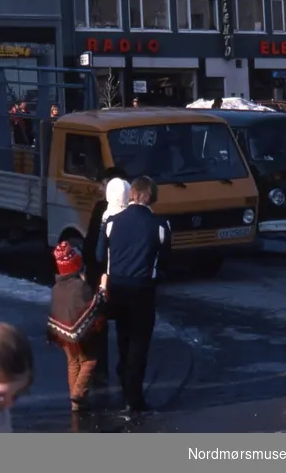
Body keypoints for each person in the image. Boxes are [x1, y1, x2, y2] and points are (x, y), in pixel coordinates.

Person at [96, 175, 171, 417]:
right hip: (143, 291)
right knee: (139, 344)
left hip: (117, 289)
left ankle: (123, 381)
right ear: (152, 197)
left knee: (123, 338)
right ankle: (133, 397)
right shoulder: (161, 226)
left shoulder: (111, 222)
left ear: (132, 195)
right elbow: (165, 262)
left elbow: (99, 256)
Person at [46, 242, 106, 412]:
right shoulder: (80, 286)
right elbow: (95, 304)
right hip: (81, 335)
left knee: (73, 362)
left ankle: (76, 404)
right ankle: (78, 393)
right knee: (89, 360)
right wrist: (102, 288)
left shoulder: (57, 287)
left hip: (62, 334)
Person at [81, 168, 128, 384]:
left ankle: (100, 370)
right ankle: (124, 367)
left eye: (102, 184)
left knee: (99, 325)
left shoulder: (102, 209)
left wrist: (87, 270)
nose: (99, 188)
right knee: (124, 325)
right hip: (123, 276)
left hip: (101, 276)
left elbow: (93, 246)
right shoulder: (133, 211)